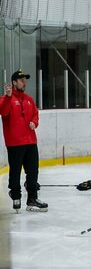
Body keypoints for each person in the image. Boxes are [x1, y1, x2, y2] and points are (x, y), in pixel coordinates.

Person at [1, 70, 47, 212]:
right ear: (14, 82)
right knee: (15, 172)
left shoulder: (28, 99)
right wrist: (9, 97)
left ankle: (32, 199)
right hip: (15, 143)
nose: (24, 82)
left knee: (33, 171)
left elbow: (35, 113)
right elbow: (3, 112)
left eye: (25, 80)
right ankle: (15, 196)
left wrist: (34, 122)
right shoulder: (5, 99)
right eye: (21, 80)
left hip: (31, 141)